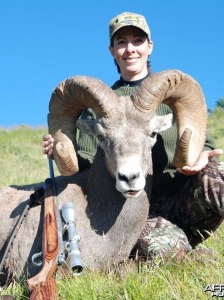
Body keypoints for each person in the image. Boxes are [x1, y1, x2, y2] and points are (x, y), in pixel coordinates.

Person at [43, 12, 224, 259]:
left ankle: (184, 238)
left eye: (138, 40)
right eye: (121, 42)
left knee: (221, 173)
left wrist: (201, 156)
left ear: (150, 46)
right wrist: (60, 151)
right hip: (131, 208)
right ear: (112, 50)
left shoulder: (172, 97)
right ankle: (183, 251)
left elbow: (202, 146)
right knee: (168, 250)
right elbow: (80, 167)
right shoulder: (95, 110)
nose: (130, 49)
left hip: (181, 196)